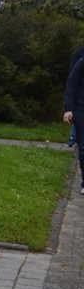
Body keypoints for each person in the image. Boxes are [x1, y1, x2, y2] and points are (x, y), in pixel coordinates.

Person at [63, 51, 84, 194]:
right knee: (83, 147)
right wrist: (69, 109)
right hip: (81, 108)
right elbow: (71, 85)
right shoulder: (81, 61)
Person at [65, 44, 84, 147]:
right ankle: (73, 137)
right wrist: (69, 107)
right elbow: (72, 82)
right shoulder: (79, 57)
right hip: (80, 103)